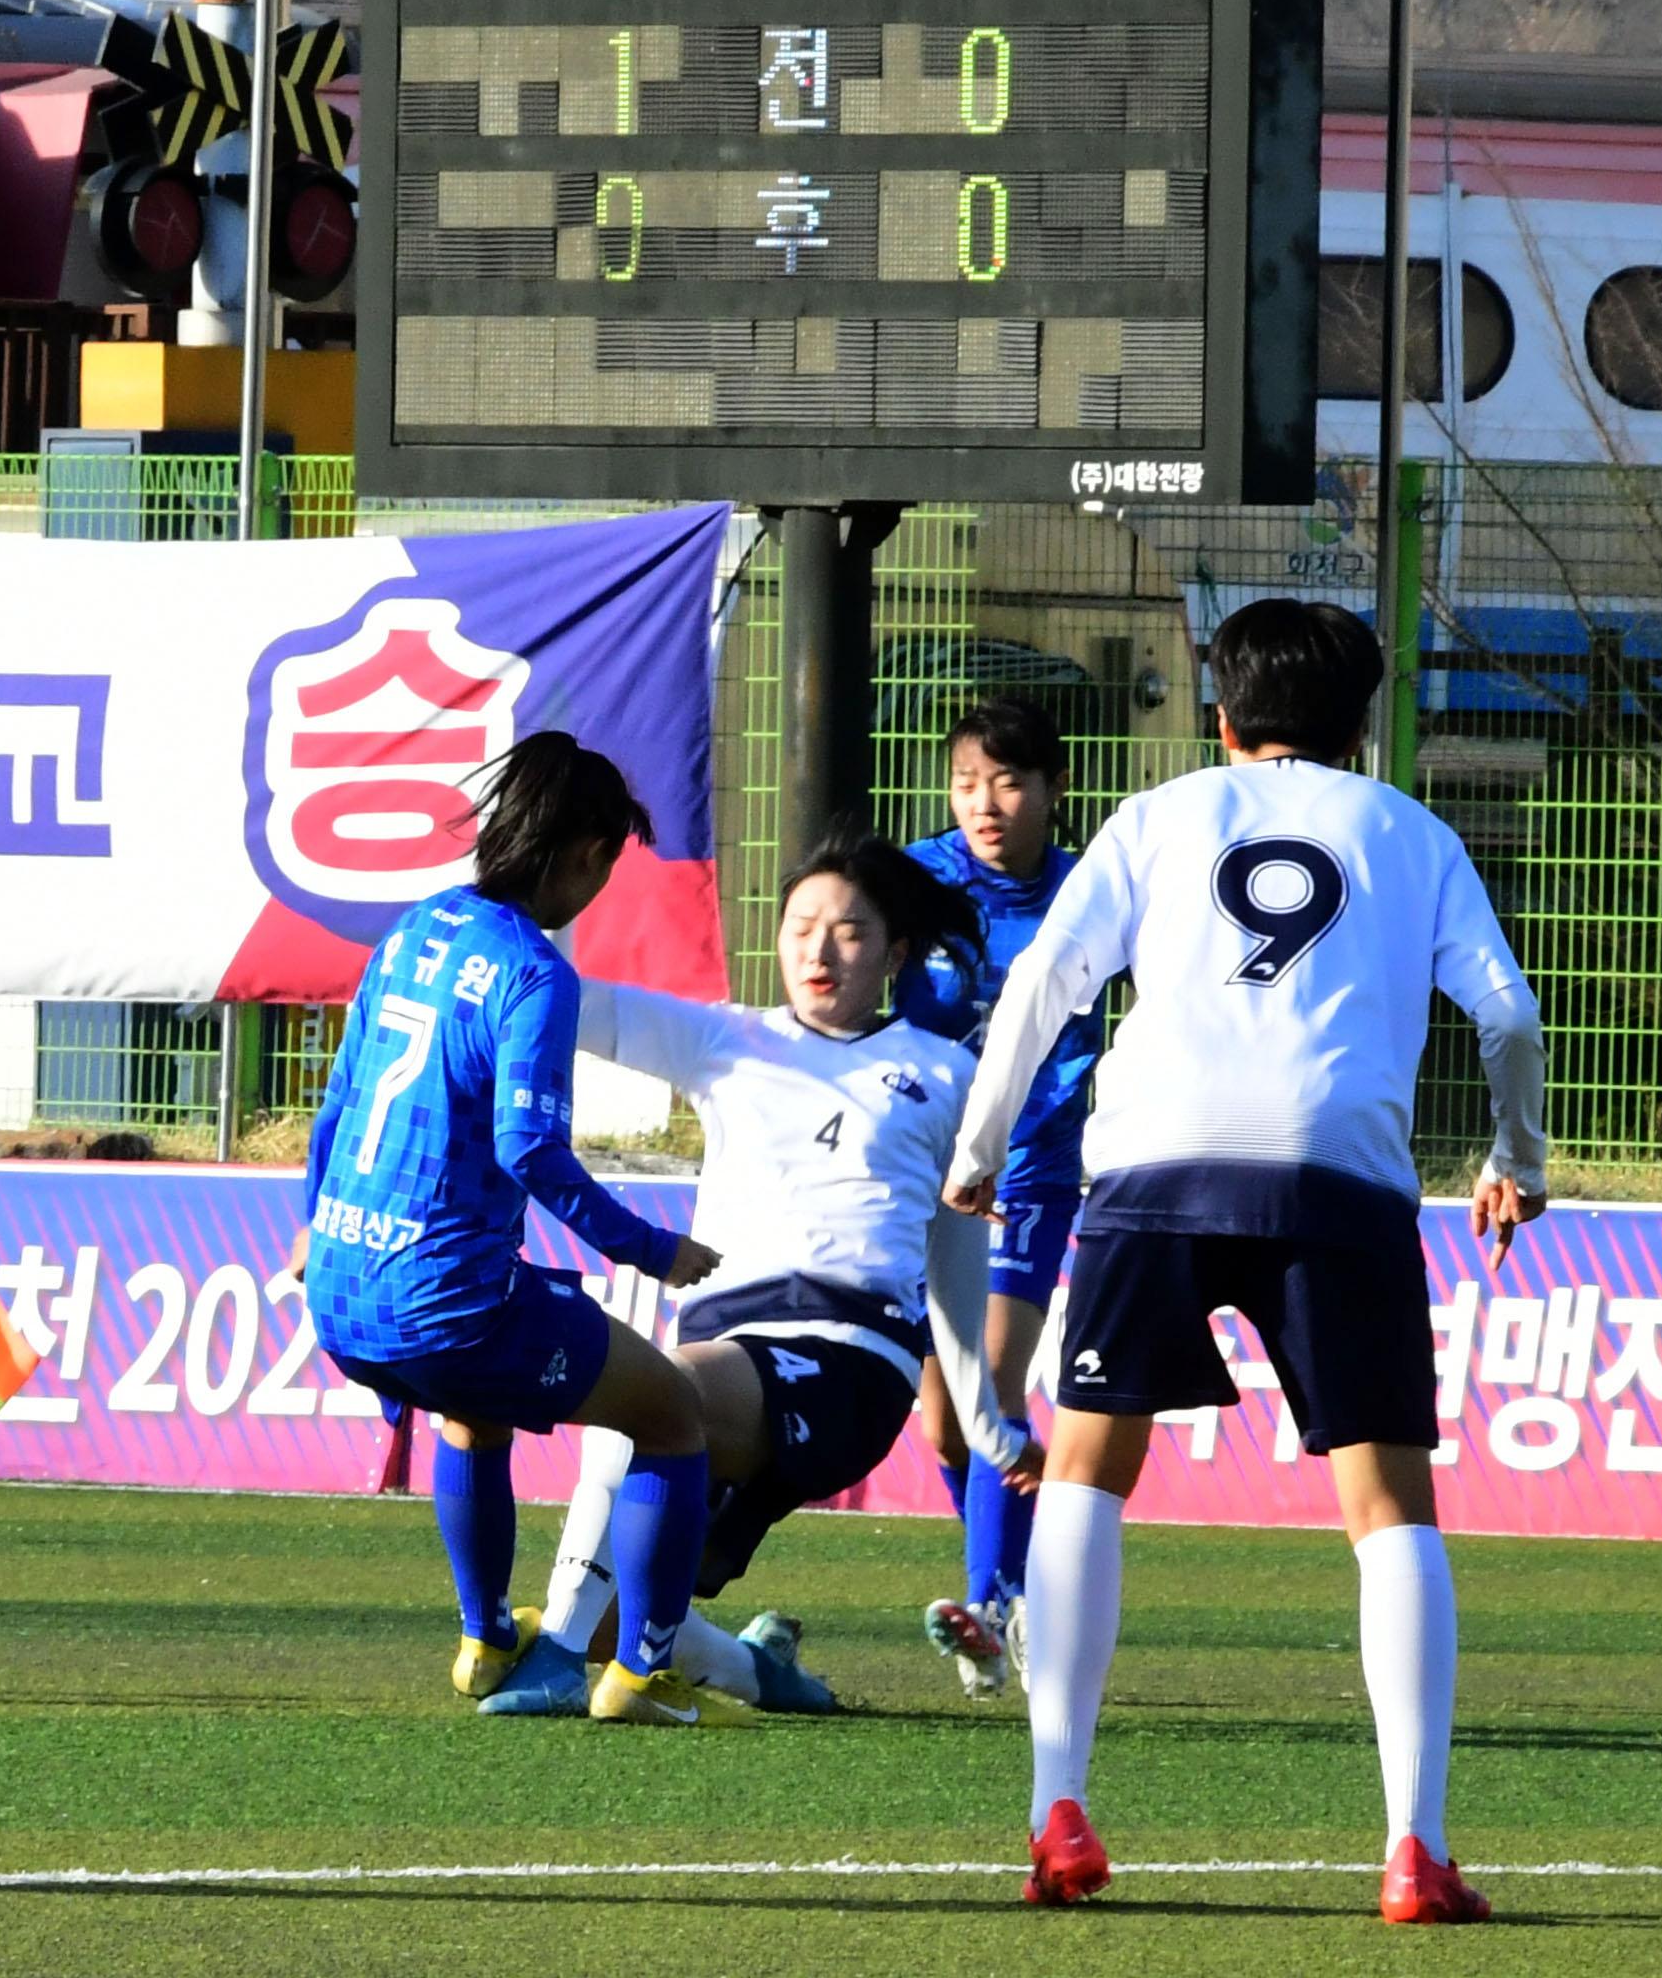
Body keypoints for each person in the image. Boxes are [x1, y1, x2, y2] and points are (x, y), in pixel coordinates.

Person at [947, 598, 1548, 1923]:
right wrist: (1519, 1156)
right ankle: (1414, 1848)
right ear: (1361, 724)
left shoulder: (1161, 817)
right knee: (1389, 1505)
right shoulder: (1414, 833)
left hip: (1156, 1169)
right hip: (1340, 1178)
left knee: (1090, 1473)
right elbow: (1506, 1010)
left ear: (1223, 718)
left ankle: (1059, 1808)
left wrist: (979, 1143)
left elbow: (1048, 979)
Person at [479, 831, 1027, 1719]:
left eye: (849, 931)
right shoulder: (724, 1041)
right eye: (801, 925)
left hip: (849, 1360)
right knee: (639, 1605)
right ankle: (759, 1670)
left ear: (893, 953)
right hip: (729, 1355)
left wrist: (986, 1413)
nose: (818, 949)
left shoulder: (948, 1073)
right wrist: (511, 911)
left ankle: (557, 1655)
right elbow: (570, 1006)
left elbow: (955, 1266)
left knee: (640, 1395)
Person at [297, 731, 735, 1726]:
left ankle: (489, 1638)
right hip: (438, 1298)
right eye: (605, 867)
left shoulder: (412, 929)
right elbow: (530, 1150)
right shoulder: (533, 971)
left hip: (340, 1285)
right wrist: (648, 1246)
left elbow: (336, 1102)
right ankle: (640, 1671)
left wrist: (312, 1223)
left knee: (472, 1408)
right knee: (669, 1414)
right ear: (583, 851)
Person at [899, 697, 1101, 1698]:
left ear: (1053, 789)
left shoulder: (1089, 892)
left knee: (993, 1379)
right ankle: (1021, 1591)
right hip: (928, 1175)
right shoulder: (916, 880)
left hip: (1028, 1169)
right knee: (944, 1421)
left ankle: (988, 1602)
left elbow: (1086, 1036)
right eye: (969, 781)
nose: (987, 802)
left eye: (1011, 780)